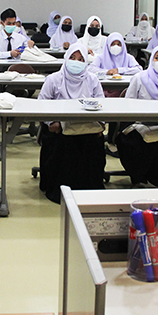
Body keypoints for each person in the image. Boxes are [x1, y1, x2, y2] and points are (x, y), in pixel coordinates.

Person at [38, 43, 106, 203]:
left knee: (93, 143)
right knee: (65, 144)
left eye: (81, 59)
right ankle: (60, 190)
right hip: (60, 129)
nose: (76, 62)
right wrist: (50, 122)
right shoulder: (54, 79)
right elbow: (41, 103)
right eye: (73, 58)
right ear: (66, 58)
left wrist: (101, 124)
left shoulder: (92, 79)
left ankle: (90, 190)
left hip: (87, 128)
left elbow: (102, 103)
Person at [115, 46, 158, 187]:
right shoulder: (139, 78)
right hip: (139, 125)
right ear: (151, 59)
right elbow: (127, 106)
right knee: (139, 142)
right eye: (157, 57)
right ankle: (141, 178)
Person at [89, 32, 141, 97]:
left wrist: (119, 70)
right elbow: (90, 69)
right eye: (113, 44)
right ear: (108, 45)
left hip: (124, 90)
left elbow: (138, 69)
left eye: (119, 44)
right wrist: (107, 72)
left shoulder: (128, 57)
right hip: (104, 90)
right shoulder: (101, 57)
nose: (116, 47)